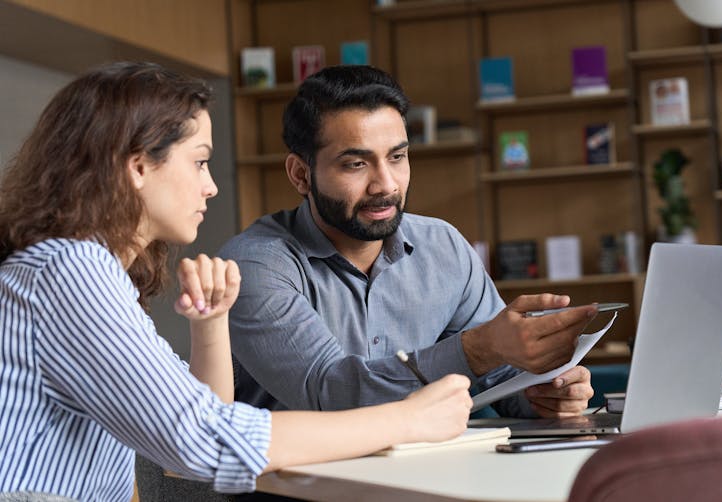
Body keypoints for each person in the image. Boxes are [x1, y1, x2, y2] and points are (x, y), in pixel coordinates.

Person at [0, 62, 473, 501]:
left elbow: (200, 430)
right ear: (139, 166)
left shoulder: (81, 272)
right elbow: (206, 442)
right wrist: (407, 419)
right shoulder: (71, 271)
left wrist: (210, 325)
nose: (211, 186)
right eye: (199, 161)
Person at [220, 65, 597, 418]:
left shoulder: (443, 247)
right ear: (301, 175)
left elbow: (498, 379)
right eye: (356, 164)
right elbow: (330, 393)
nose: (386, 184)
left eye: (397, 157)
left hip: (428, 475)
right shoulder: (255, 265)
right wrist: (479, 348)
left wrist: (547, 391)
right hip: (297, 485)